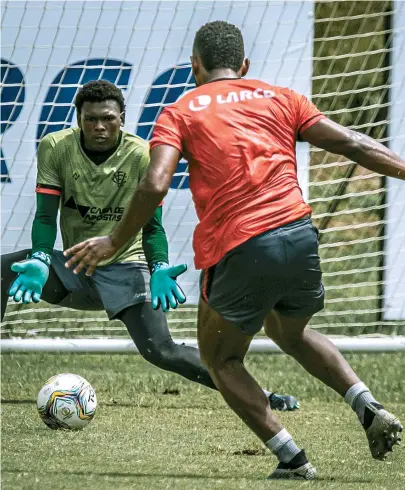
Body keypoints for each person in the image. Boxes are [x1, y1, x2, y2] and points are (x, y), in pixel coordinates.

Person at [62, 22, 405, 480]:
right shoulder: (282, 97)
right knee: (290, 332)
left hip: (242, 245)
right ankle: (366, 405)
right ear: (244, 66)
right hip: (301, 235)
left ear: (194, 67)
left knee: (221, 358)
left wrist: (113, 240)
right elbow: (351, 143)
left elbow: (155, 182)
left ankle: (293, 460)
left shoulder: (179, 111)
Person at [1, 79, 298, 412]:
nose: (100, 126)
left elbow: (152, 226)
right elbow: (44, 217)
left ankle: (263, 396)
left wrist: (158, 266)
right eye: (91, 119)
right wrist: (41, 258)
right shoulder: (55, 147)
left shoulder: (143, 154)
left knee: (161, 350)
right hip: (75, 267)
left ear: (123, 117)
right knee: (2, 270)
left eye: (108, 118)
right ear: (77, 118)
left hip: (127, 268)